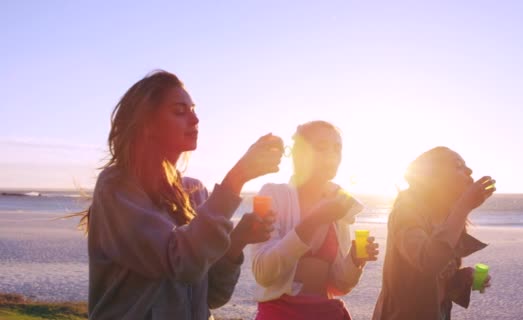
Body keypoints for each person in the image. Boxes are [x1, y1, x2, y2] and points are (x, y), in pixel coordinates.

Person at [80, 70, 283, 319]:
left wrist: (236, 242)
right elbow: (180, 262)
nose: (195, 119)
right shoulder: (117, 186)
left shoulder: (195, 192)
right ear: (147, 124)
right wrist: (236, 179)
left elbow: (212, 296)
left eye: (194, 109)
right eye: (179, 111)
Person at [250, 120, 380, 320]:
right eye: (321, 147)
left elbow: (340, 284)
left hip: (326, 313)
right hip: (280, 314)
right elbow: (263, 273)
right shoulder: (272, 195)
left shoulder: (339, 203)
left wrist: (355, 260)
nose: (332, 155)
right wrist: (314, 221)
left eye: (337, 149)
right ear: (300, 153)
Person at [373, 146, 494, 320]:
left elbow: (433, 281)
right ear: (433, 177)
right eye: (458, 165)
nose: (469, 170)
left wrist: (465, 276)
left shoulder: (448, 219)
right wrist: (463, 207)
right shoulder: (407, 211)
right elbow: (428, 260)